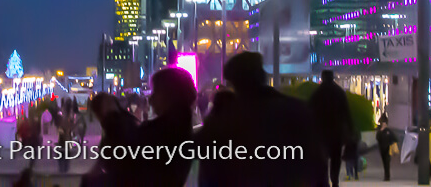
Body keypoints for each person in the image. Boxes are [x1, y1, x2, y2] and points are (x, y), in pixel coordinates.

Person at [198, 52, 324, 187]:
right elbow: (316, 162)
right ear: (262, 76)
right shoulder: (296, 110)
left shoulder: (222, 120)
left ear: (233, 82)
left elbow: (209, 173)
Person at [92, 67, 196, 186]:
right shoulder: (179, 129)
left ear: (170, 95)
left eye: (155, 92)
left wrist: (112, 115)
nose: (150, 100)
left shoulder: (161, 134)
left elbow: (117, 159)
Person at [309, 70, 354, 187]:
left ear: (322, 77)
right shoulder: (339, 92)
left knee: (321, 158)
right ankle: (335, 181)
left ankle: (323, 181)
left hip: (321, 133)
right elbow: (347, 113)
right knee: (336, 158)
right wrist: (351, 130)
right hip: (336, 132)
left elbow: (309, 112)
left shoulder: (317, 93)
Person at [375, 114, 397, 182]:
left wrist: (391, 143)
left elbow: (394, 138)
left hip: (388, 149)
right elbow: (377, 138)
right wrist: (381, 130)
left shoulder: (389, 131)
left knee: (387, 162)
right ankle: (386, 175)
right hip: (382, 149)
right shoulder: (380, 131)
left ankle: (387, 176)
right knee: (384, 162)